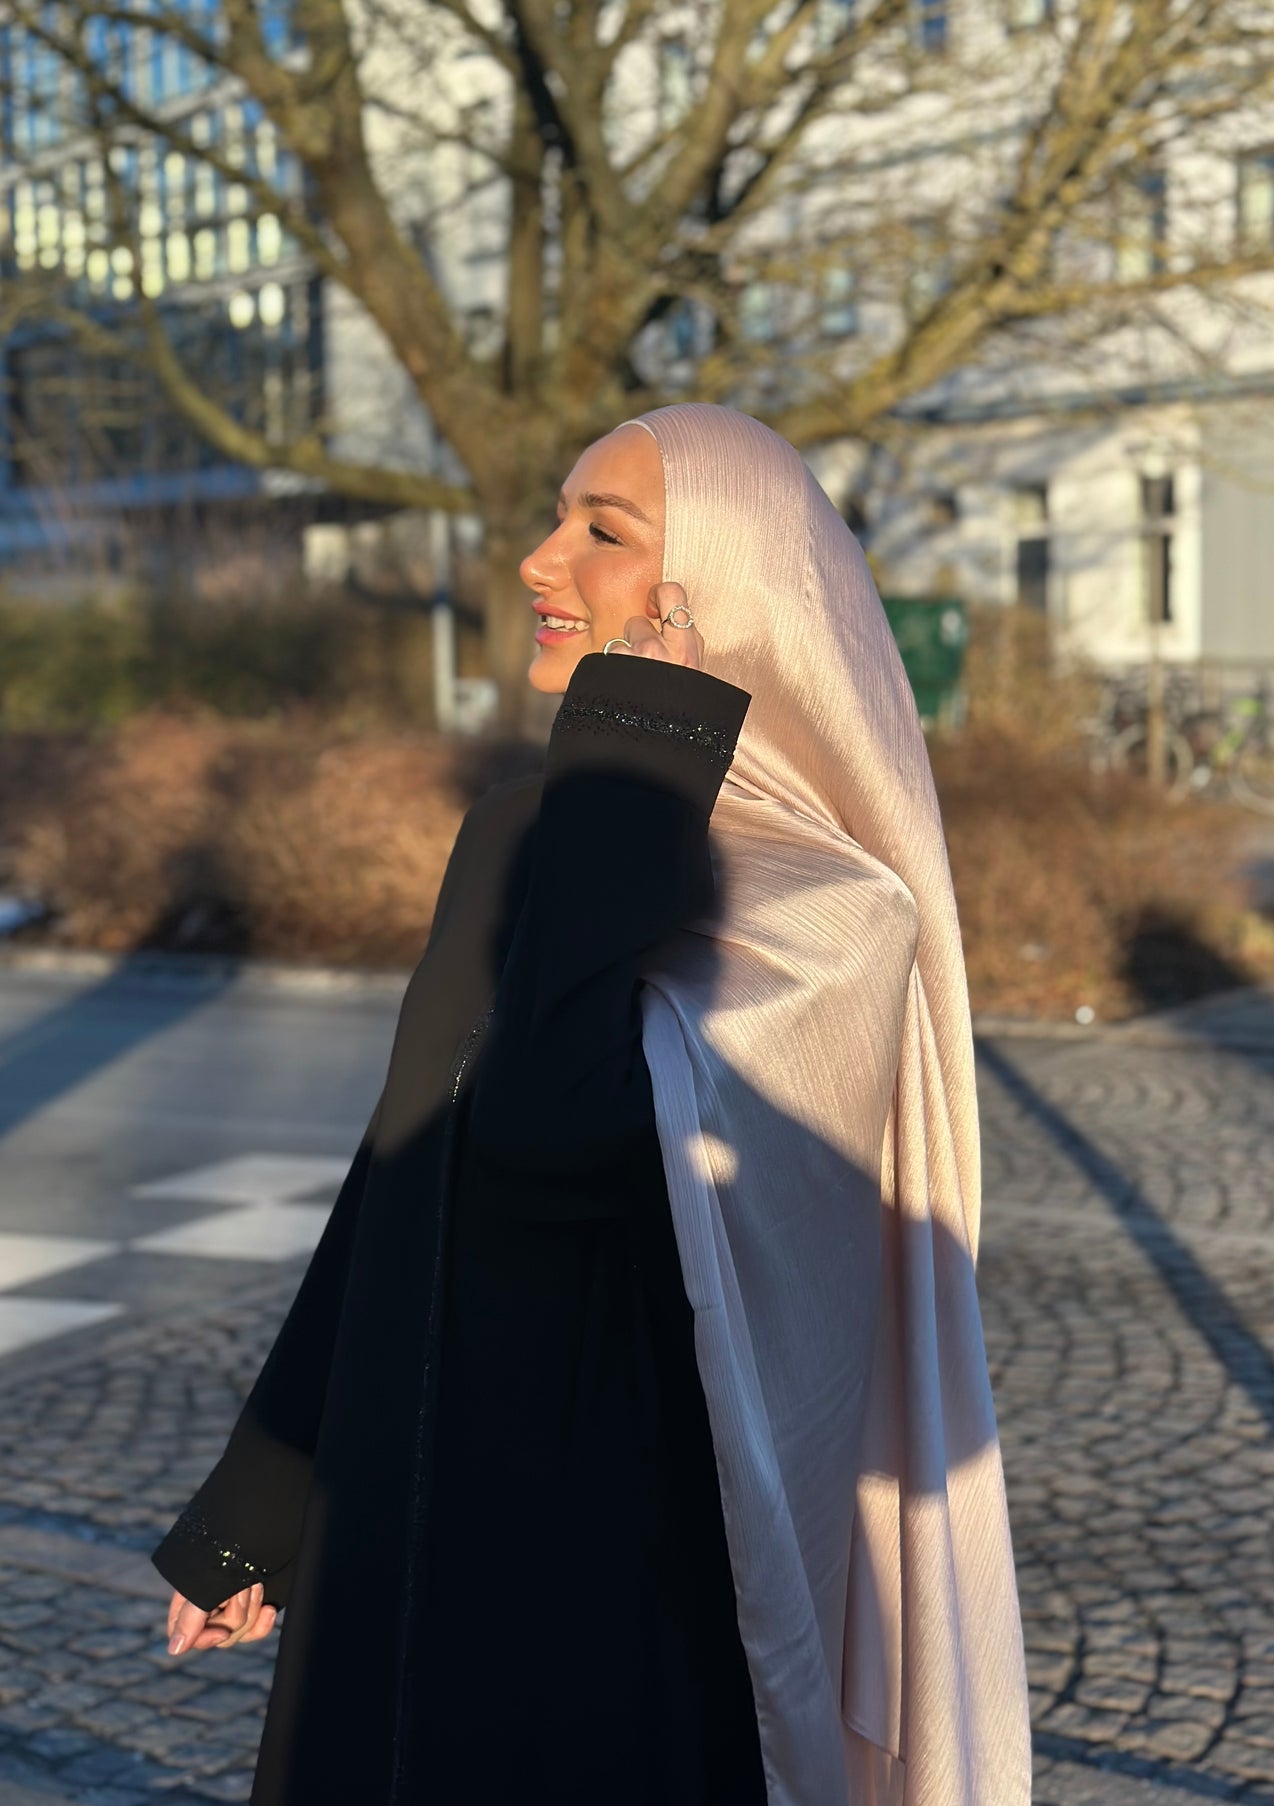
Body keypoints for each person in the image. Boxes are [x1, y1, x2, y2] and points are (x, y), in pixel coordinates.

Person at [152, 404, 1031, 1805]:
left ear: (723, 591)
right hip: (406, 1528)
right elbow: (403, 1170)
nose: (538, 560)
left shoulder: (831, 909)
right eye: (557, 515)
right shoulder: (528, 827)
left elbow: (551, 1143)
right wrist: (260, 1503)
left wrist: (638, 753)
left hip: (616, 1589)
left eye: (603, 531)